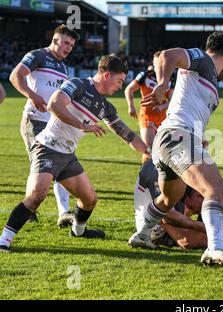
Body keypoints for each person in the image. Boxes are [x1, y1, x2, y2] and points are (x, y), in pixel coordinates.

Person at [0, 55, 151, 253]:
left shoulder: (106, 106)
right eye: (119, 81)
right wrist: (82, 125)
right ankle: (4, 240)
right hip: (47, 148)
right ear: (106, 75)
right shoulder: (78, 85)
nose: (120, 87)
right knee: (37, 194)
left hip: (68, 156)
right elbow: (55, 105)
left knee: (89, 200)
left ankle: (78, 231)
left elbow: (127, 134)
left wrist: (150, 152)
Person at [129, 31, 223, 272]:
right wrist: (162, 84)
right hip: (176, 137)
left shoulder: (208, 76)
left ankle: (141, 234)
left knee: (169, 198)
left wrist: (198, 137)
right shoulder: (204, 59)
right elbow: (167, 55)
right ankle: (215, 248)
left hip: (172, 139)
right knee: (216, 190)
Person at [9, 24, 79, 226]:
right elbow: (16, 75)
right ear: (55, 40)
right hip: (35, 120)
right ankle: (31, 209)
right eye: (66, 43)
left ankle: (63, 212)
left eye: (72, 45)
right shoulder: (38, 55)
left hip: (54, 124)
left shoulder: (64, 67)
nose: (68, 48)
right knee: (43, 166)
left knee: (59, 163)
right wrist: (32, 95)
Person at [124, 52, 176, 163]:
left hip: (163, 118)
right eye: (157, 61)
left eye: (161, 61)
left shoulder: (171, 78)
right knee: (149, 146)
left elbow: (173, 100)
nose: (159, 64)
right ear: (153, 62)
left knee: (161, 150)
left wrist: (162, 106)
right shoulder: (145, 75)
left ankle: (155, 175)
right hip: (146, 115)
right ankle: (145, 174)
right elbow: (129, 89)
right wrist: (131, 106)